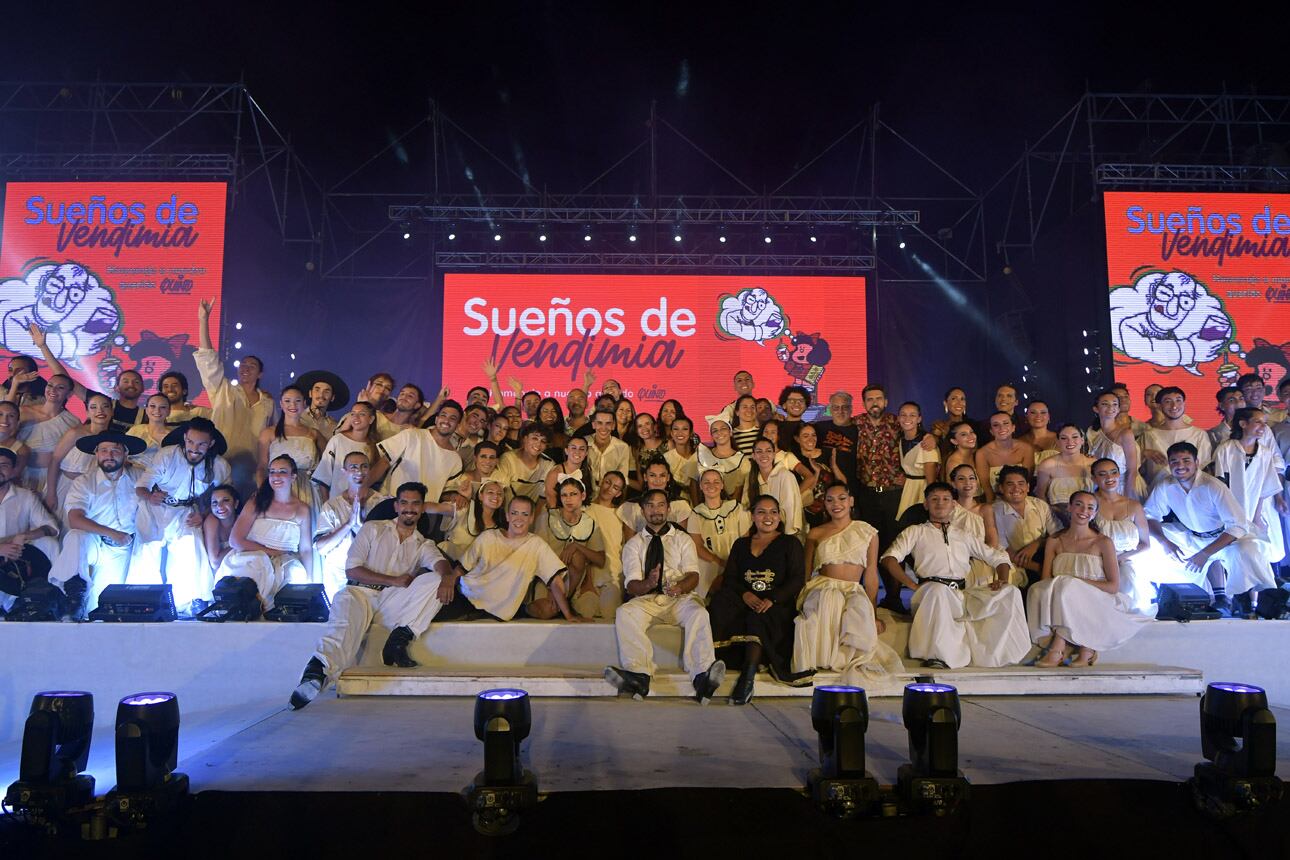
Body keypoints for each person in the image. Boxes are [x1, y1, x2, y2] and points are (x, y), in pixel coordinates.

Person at [289, 482, 456, 710]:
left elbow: (440, 563)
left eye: (415, 503)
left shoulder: (423, 543)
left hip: (391, 603)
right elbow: (352, 570)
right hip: (359, 593)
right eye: (404, 502)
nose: (410, 508)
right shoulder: (373, 528)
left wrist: (447, 577)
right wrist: (394, 580)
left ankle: (399, 639)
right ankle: (315, 674)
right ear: (396, 506)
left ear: (421, 508)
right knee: (344, 626)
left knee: (436, 579)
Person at [881, 483, 1029, 669]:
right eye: (934, 499)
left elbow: (998, 557)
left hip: (960, 594)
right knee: (937, 591)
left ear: (953, 505)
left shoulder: (963, 535)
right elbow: (889, 558)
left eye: (946, 499)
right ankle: (937, 656)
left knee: (1010, 592)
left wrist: (1001, 580)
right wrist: (910, 585)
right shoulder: (915, 532)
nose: (940, 503)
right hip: (928, 593)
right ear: (926, 504)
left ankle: (999, 655)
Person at [604, 489, 727, 703]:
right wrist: (649, 583)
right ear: (643, 511)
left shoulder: (682, 539)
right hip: (648, 599)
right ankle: (639, 676)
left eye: (661, 505)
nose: (656, 510)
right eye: (650, 505)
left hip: (679, 598)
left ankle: (702, 676)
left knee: (699, 613)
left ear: (668, 509)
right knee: (625, 612)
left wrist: (680, 587)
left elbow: (693, 575)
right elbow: (632, 585)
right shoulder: (634, 544)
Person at [1144, 441, 1274, 617]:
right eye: (1174, 461)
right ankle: (1181, 597)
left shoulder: (1212, 486)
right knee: (1150, 540)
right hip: (1193, 537)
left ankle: (1247, 599)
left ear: (1197, 462)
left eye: (1186, 461)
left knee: (1247, 550)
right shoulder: (1166, 485)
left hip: (1226, 539)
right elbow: (1150, 515)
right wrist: (1165, 542)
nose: (1180, 466)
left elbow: (1237, 525)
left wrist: (1205, 554)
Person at [792, 484, 904, 684]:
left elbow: (870, 575)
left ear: (851, 501)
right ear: (824, 504)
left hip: (852, 588)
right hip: (823, 586)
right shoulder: (815, 533)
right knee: (831, 598)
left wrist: (874, 614)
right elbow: (806, 573)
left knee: (858, 608)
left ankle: (847, 658)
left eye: (842, 498)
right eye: (830, 500)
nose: (836, 504)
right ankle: (824, 657)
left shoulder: (867, 532)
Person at [1028, 491, 1152, 667]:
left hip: (1098, 597)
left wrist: (1077, 582)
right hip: (1062, 595)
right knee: (1040, 589)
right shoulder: (1055, 540)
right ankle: (1081, 647)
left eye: (1090, 507)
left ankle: (1059, 647)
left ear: (1094, 514)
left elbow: (1113, 586)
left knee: (1069, 585)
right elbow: (1046, 579)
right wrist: (1069, 584)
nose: (1083, 510)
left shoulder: (1103, 542)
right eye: (1078, 504)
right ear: (1070, 507)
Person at [708, 494, 805, 703]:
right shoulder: (741, 544)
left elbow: (797, 579)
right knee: (719, 603)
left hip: (775, 602)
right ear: (752, 516)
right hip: (746, 598)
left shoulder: (790, 543)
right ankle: (713, 665)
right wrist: (745, 594)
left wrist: (773, 599)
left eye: (773, 512)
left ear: (779, 517)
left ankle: (747, 676)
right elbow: (730, 577)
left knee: (758, 618)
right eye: (761, 512)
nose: (767, 517)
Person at [133, 417, 232, 615]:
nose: (194, 448)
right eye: (191, 442)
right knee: (147, 548)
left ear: (211, 444)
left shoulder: (220, 465)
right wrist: (151, 496)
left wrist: (204, 515)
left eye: (201, 444)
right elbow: (141, 487)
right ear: (185, 438)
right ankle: (143, 601)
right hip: (155, 508)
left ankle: (189, 601)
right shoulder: (167, 455)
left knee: (190, 544)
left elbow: (226, 496)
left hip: (187, 511)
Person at [47, 430, 145, 618]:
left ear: (126, 454)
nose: (109, 455)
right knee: (76, 536)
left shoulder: (140, 477)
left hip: (125, 547)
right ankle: (74, 596)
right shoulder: (83, 482)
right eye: (103, 450)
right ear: (96, 454)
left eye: (115, 451)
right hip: (95, 543)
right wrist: (111, 533)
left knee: (99, 609)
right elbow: (75, 519)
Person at [437, 495, 580, 622]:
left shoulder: (536, 545)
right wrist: (448, 581)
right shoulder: (488, 537)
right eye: (514, 513)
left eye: (524, 514)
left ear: (531, 518)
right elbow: (463, 567)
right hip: (466, 595)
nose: (519, 518)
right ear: (507, 516)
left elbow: (555, 579)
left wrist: (568, 615)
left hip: (499, 610)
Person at [216, 454, 314, 612]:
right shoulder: (256, 502)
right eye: (272, 471)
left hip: (285, 562)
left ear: (293, 476)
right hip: (253, 557)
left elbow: (306, 549)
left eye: (282, 471)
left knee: (295, 578)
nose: (276, 476)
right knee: (251, 582)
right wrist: (271, 552)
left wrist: (310, 582)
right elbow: (235, 540)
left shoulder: (302, 509)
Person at [197, 299, 274, 494]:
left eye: (252, 366)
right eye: (243, 365)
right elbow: (208, 361)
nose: (245, 368)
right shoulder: (223, 391)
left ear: (260, 374)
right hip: (219, 463)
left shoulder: (268, 403)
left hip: (251, 471)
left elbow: (274, 436)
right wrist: (203, 321)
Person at [1212, 408, 1286, 577]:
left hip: (1254, 509)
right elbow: (1220, 483)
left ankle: (1254, 602)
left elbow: (1265, 488)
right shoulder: (1226, 449)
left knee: (1256, 552)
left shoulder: (1265, 453)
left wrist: (1257, 517)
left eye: (1265, 423)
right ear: (1243, 424)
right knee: (1229, 553)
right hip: (1227, 511)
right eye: (1258, 422)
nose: (1262, 427)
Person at [314, 450, 390, 598]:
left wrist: (362, 526)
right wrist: (348, 524)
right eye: (353, 467)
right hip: (338, 574)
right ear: (344, 471)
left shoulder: (383, 503)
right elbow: (321, 548)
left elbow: (388, 545)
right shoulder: (332, 506)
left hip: (372, 575)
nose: (359, 472)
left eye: (364, 466)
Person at [537, 476, 609, 619]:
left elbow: (601, 560)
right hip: (547, 581)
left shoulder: (590, 523)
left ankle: (568, 601)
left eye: (573, 494)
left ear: (582, 495)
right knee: (546, 610)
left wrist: (576, 546)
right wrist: (552, 587)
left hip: (575, 584)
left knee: (577, 555)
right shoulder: (547, 518)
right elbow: (538, 556)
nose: (568, 499)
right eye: (564, 495)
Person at [0, 448, 59, 616]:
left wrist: (25, 536)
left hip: (16, 560)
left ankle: (50, 598)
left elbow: (51, 527)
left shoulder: (25, 496)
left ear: (13, 470)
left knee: (49, 543)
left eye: (4, 465)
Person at [1089, 458, 1153, 612]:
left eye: (1113, 472)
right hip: (1096, 562)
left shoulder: (1134, 506)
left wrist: (1119, 559)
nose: (1109, 478)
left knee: (1127, 578)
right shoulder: (1089, 503)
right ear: (1094, 478)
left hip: (1126, 561)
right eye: (1102, 474)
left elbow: (1145, 544)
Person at [375, 400, 464, 503]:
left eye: (453, 418)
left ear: (457, 426)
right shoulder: (411, 435)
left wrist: (456, 497)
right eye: (443, 415)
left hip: (422, 514)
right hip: (391, 504)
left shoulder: (455, 459)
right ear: (436, 419)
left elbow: (445, 493)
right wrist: (364, 487)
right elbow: (383, 462)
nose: (446, 421)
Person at [44, 391, 114, 515]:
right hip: (65, 487)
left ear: (111, 411)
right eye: (93, 407)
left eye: (105, 406)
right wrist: (51, 493)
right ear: (87, 412)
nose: (100, 411)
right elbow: (55, 460)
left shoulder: (113, 440)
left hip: (91, 491)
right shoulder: (75, 433)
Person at [687, 468, 751, 599]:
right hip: (711, 563)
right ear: (700, 486)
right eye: (707, 482)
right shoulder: (696, 513)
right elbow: (697, 546)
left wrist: (733, 564)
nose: (711, 485)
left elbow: (746, 540)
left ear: (722, 485)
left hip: (736, 562)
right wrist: (720, 562)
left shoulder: (737, 508)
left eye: (716, 481)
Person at [257, 385, 324, 510]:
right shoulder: (269, 433)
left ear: (304, 404)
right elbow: (262, 466)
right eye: (287, 401)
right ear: (281, 404)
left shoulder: (314, 434)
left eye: (297, 401)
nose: (292, 405)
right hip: (279, 488)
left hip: (308, 490)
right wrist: (263, 493)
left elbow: (327, 466)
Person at [13, 373, 80, 494]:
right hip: (21, 474)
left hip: (52, 479)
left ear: (69, 394)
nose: (53, 390)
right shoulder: (23, 412)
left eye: (60, 387)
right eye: (50, 385)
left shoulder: (72, 421)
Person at [991, 465, 1057, 587]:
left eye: (1021, 483)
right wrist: (1038, 568)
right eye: (1010, 484)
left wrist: (1036, 544)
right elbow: (1001, 548)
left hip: (1044, 554)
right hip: (1013, 562)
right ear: (1001, 488)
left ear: (1028, 487)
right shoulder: (994, 511)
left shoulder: (1040, 505)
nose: (1016, 488)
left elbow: (1057, 534)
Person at [313, 400, 386, 501]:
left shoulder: (375, 447)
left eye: (362, 414)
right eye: (353, 414)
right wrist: (327, 504)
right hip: (337, 502)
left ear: (371, 419)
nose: (356, 417)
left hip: (362, 504)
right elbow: (324, 475)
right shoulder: (338, 440)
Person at [1140, 386, 1213, 486]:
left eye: (1178, 400)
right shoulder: (1149, 435)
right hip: (1158, 492)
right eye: (1168, 401)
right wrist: (1143, 454)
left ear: (1184, 403)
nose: (1174, 406)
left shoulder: (1199, 434)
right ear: (1159, 406)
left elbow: (1204, 466)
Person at [1088, 389, 1143, 501]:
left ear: (1118, 409)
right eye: (1105, 404)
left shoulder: (1125, 433)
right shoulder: (1095, 434)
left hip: (1124, 487)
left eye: (1114, 404)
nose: (1110, 407)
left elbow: (1132, 469)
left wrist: (1127, 498)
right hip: (1103, 487)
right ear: (1096, 409)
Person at [584, 471, 627, 612]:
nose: (609, 489)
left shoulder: (620, 515)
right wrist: (588, 581)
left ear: (618, 493)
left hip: (613, 576)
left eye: (615, 487)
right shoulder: (585, 510)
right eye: (608, 482)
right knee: (587, 611)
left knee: (609, 612)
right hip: (589, 576)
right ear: (601, 481)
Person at [619, 460, 692, 540]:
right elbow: (629, 542)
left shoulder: (680, 505)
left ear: (668, 477)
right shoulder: (631, 506)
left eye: (662, 475)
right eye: (652, 475)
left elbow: (684, 539)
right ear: (645, 477)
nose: (657, 480)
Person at [745, 437, 803, 538]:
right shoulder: (750, 478)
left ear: (774, 454)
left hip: (783, 534)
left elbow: (790, 509)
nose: (764, 455)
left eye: (768, 451)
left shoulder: (785, 476)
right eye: (759, 451)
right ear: (753, 456)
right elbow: (745, 505)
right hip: (759, 533)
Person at [440, 476, 506, 563]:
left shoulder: (500, 527)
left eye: (499, 494)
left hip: (475, 569)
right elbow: (438, 507)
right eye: (490, 492)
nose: (495, 496)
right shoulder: (465, 507)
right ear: (480, 496)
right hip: (448, 559)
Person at [795, 421, 847, 529]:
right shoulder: (795, 461)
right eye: (805, 436)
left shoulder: (828, 454)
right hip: (807, 515)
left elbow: (843, 484)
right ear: (797, 439)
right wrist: (816, 473)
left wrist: (834, 466)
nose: (811, 439)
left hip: (832, 512)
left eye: (813, 435)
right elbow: (801, 494)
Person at [974, 412, 1035, 503]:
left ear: (1013, 427)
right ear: (991, 431)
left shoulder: (1026, 449)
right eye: (996, 425)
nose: (1001, 428)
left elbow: (1027, 480)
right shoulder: (982, 453)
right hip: (996, 500)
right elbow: (986, 486)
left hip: (1021, 498)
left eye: (1006, 423)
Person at [895, 401, 940, 520]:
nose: (907, 418)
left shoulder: (926, 443)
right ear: (898, 418)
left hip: (921, 491)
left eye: (912, 415)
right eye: (903, 415)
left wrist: (931, 499)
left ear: (919, 419)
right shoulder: (900, 440)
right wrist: (907, 478)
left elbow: (931, 480)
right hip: (908, 490)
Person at [1033, 424, 1093, 512]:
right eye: (1064, 438)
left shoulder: (1093, 464)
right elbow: (1041, 495)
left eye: (1075, 437)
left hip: (1088, 515)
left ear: (1082, 440)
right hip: (1055, 516)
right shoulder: (1047, 465)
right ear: (1057, 441)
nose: (1070, 442)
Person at [495, 422, 555, 505]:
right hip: (509, 512)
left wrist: (533, 517)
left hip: (536, 513)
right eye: (535, 438)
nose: (538, 444)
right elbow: (500, 490)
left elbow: (545, 497)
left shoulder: (548, 464)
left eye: (543, 441)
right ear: (525, 438)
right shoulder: (508, 459)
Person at [815, 391, 859, 497]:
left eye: (845, 407)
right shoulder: (819, 427)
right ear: (830, 410)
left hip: (850, 487)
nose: (841, 411)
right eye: (836, 407)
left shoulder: (859, 430)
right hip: (823, 487)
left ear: (851, 409)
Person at [697, 417, 750, 501]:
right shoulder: (702, 454)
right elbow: (694, 486)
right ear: (711, 436)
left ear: (730, 432)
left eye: (723, 428)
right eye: (715, 430)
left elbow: (741, 491)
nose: (719, 433)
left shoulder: (742, 461)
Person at [298, 370, 349, 443]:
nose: (321, 395)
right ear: (310, 393)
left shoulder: (334, 427)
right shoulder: (297, 419)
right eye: (317, 390)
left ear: (332, 397)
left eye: (326, 391)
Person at [586, 408, 632, 489]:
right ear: (593, 424)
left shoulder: (623, 447)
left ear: (613, 425)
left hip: (610, 494)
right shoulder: (583, 443)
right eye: (600, 423)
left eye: (608, 423)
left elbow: (623, 480)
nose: (604, 427)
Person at [202, 484, 241, 577]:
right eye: (214, 502)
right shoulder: (212, 521)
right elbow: (215, 562)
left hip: (239, 566)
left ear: (236, 503)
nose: (219, 506)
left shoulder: (241, 520)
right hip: (217, 573)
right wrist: (241, 543)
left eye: (225, 500)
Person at [126, 393, 173, 470]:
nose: (157, 410)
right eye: (152, 406)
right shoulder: (135, 430)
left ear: (168, 411)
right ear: (146, 410)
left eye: (163, 407)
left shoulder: (173, 437)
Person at [662, 416, 700, 497]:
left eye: (685, 429)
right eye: (676, 429)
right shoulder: (666, 458)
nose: (680, 433)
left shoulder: (700, 456)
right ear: (671, 433)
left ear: (690, 433)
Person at [1017, 400, 1059, 465]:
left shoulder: (1060, 439)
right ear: (1026, 416)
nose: (1038, 416)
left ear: (1048, 417)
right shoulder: (1019, 442)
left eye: (1043, 412)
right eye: (1033, 412)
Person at [0, 401, 30, 483]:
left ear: (17, 422)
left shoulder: (21, 450)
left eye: (11, 416)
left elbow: (13, 475)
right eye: (0, 414)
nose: (4, 420)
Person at [1207, 386, 1245, 450]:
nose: (1238, 403)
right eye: (1232, 400)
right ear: (1221, 406)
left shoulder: (1256, 427)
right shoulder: (1213, 433)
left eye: (1241, 399)